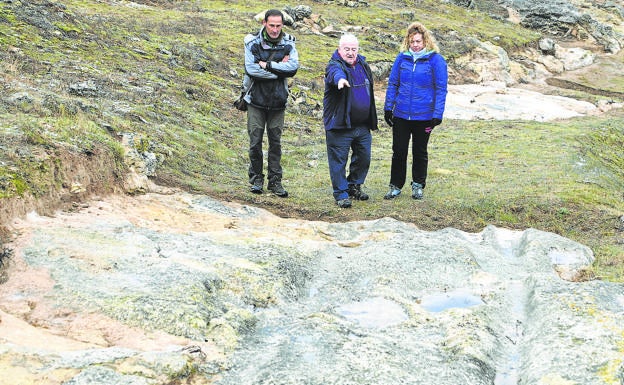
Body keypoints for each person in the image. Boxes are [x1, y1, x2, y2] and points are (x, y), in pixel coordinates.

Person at [383, 22, 448, 200]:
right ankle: (395, 185)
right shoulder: (401, 58)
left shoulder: (436, 60)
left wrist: (437, 114)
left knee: (420, 151)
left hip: (424, 116)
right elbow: (393, 83)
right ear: (408, 41)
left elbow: (441, 88)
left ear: (425, 41)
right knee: (399, 151)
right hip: (402, 115)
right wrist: (388, 108)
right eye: (412, 41)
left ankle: (418, 185)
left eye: (418, 41)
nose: (415, 45)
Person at [242, 9, 299, 197]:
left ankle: (275, 182)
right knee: (255, 142)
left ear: (282, 25)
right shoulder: (252, 42)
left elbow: (293, 68)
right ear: (264, 23)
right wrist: (279, 71)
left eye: (278, 25)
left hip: (278, 102)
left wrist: (267, 65)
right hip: (255, 101)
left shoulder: (289, 42)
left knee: (276, 143)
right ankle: (256, 179)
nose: (275, 29)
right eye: (271, 25)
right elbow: (251, 69)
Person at [323, 33, 378, 208]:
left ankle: (354, 185)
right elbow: (334, 74)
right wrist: (340, 80)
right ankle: (341, 193)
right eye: (347, 49)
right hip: (339, 124)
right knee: (338, 160)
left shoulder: (362, 64)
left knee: (364, 157)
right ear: (340, 49)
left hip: (362, 124)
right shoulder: (334, 65)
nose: (350, 52)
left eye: (354, 49)